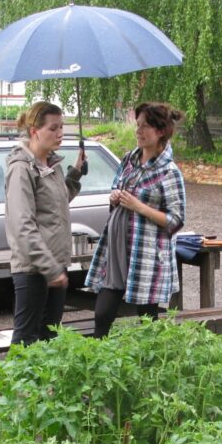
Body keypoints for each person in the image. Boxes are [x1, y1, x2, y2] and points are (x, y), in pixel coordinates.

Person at [85, 102, 186, 338]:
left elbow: (176, 220)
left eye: (145, 127)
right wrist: (114, 197)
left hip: (146, 254)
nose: (138, 131)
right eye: (137, 125)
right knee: (102, 314)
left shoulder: (168, 171)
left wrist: (139, 207)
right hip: (117, 249)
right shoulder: (129, 159)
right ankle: (97, 363)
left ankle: (149, 367)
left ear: (161, 131)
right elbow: (116, 191)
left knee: (148, 320)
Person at [4, 101, 85, 345]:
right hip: (33, 269)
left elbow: (56, 204)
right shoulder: (21, 169)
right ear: (34, 131)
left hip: (55, 266)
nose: (60, 133)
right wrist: (49, 269)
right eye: (53, 128)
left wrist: (75, 174)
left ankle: (45, 386)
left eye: (62, 127)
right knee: (26, 341)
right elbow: (23, 225)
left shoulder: (52, 165)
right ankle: (10, 385)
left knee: (49, 340)